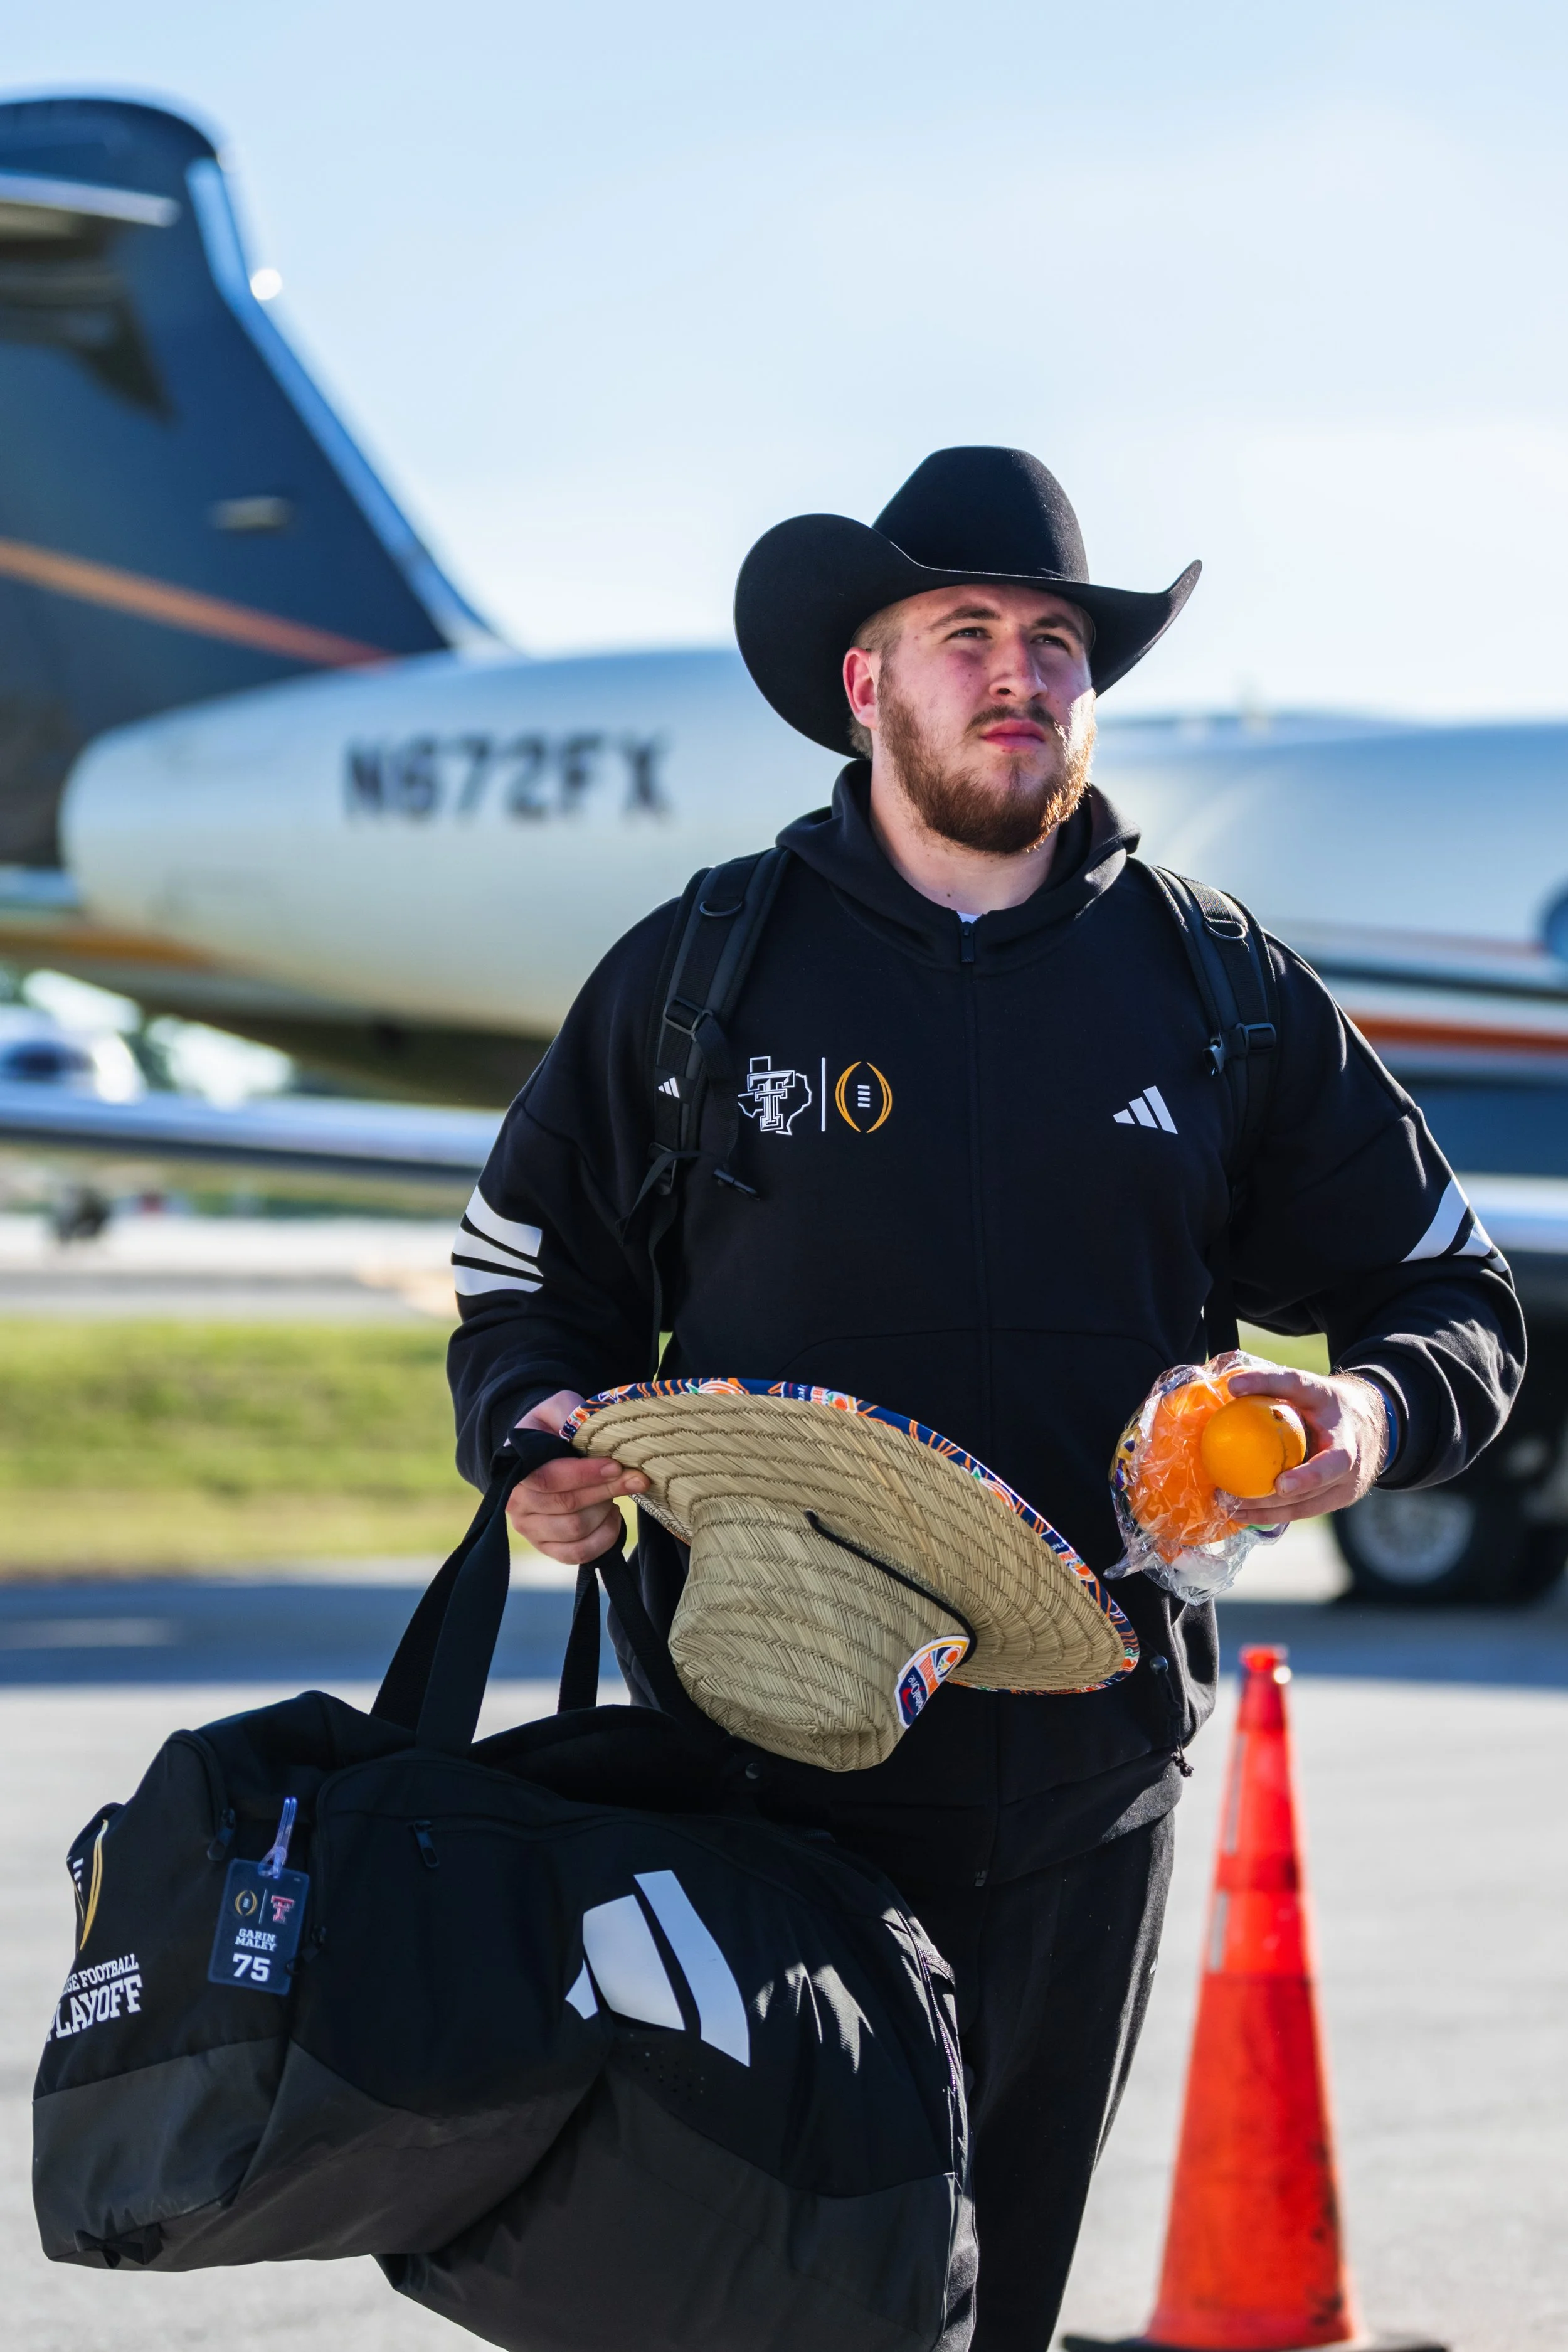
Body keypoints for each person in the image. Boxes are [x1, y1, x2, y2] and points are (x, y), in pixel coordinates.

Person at [448, 446, 1524, 2348]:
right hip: (757, 1776)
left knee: (990, 2308)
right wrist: (536, 1434)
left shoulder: (1213, 984)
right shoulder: (705, 971)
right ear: (865, 684)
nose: (1017, 670)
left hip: (1083, 1783)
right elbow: (526, 1277)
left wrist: (1357, 1418)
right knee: (764, 2297)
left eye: (1053, 638)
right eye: (964, 633)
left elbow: (1451, 1291)